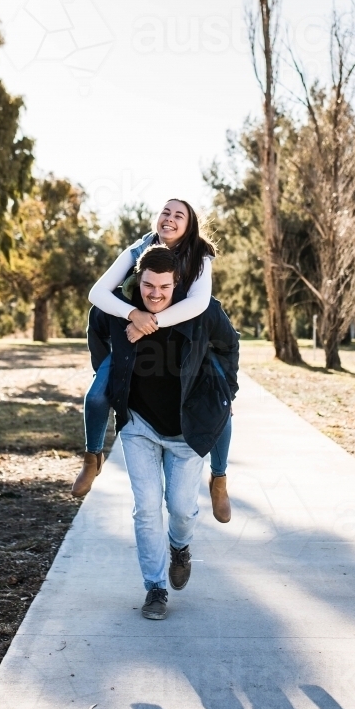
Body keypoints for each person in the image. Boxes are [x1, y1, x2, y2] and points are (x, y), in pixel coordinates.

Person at [87, 244, 239, 619]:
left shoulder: (201, 312)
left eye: (164, 287)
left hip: (187, 432)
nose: (155, 293)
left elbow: (229, 346)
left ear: (177, 285)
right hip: (140, 425)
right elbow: (97, 332)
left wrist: (223, 390)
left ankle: (181, 547)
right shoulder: (120, 310)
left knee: (181, 510)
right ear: (139, 281)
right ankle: (154, 588)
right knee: (146, 510)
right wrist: (115, 380)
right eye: (148, 285)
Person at [72, 198, 232, 523]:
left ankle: (219, 478)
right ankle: (92, 457)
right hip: (135, 344)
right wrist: (133, 313)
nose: (169, 219)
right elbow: (97, 293)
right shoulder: (138, 249)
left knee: (220, 403)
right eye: (165, 212)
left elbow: (199, 303)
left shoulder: (199, 256)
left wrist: (152, 322)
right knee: (98, 394)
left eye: (179, 215)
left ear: (190, 225)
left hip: (190, 343)